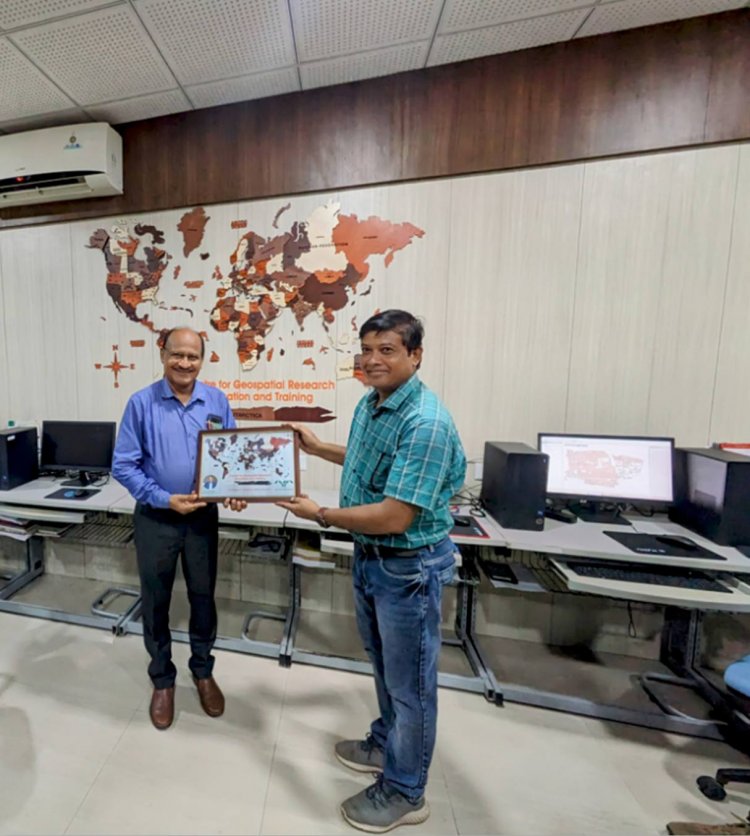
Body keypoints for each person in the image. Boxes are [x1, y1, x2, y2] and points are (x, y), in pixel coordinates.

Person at [278, 309, 466, 833]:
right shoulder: (374, 403)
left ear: (415, 356)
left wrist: (321, 514)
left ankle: (407, 791)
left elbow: (395, 514)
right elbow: (365, 460)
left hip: (407, 566)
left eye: (388, 350)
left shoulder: (424, 421)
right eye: (368, 349)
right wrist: (318, 448)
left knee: (412, 686)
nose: (373, 359)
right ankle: (386, 744)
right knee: (385, 668)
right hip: (373, 560)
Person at [112, 326, 246, 731]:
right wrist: (162, 497)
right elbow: (123, 464)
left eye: (193, 356)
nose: (185, 363)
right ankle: (163, 679)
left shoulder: (217, 400)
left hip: (203, 518)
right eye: (177, 355)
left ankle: (203, 671)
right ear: (163, 354)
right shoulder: (141, 404)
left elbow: (233, 457)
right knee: (156, 600)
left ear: (202, 359)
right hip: (157, 518)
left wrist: (234, 490)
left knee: (203, 597)